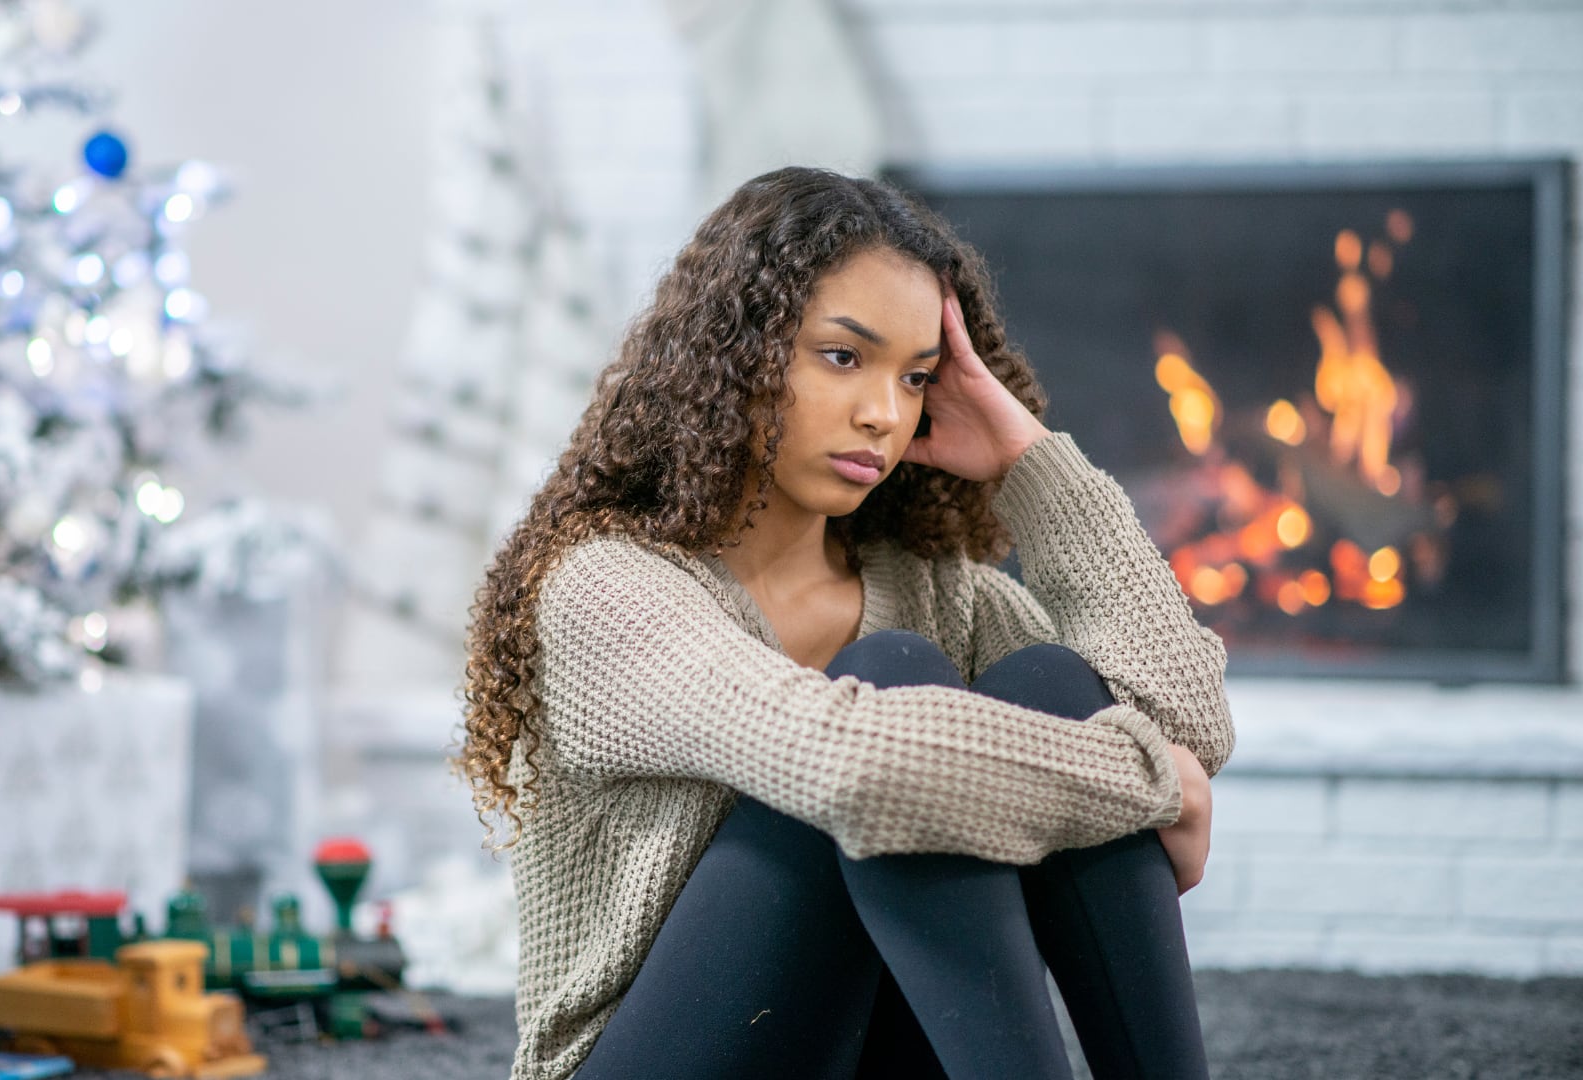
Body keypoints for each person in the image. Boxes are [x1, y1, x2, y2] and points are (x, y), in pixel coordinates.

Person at [456, 166, 1234, 1080]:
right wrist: (1151, 784)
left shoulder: (934, 588)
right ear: (737, 354)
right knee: (895, 679)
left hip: (871, 1054)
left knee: (1053, 686)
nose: (884, 415)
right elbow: (854, 764)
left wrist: (1031, 464)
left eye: (917, 379)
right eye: (842, 357)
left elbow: (1185, 725)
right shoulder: (607, 588)